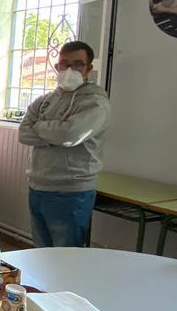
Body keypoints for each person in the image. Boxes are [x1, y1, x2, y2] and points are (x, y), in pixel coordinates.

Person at [18, 41, 110, 248]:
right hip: (38, 185)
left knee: (65, 256)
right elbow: (24, 133)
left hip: (70, 190)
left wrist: (41, 127)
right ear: (57, 66)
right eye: (64, 64)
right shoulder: (46, 100)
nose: (69, 70)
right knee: (41, 252)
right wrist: (55, 133)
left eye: (77, 64)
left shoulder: (95, 102)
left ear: (88, 69)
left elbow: (70, 134)